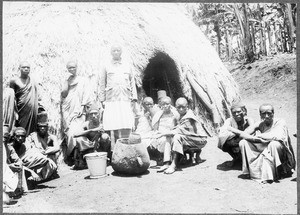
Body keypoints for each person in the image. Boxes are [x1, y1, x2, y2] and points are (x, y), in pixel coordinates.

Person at [239, 104, 296, 183]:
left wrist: (259, 136)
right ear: (260, 114)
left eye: (269, 113)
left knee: (274, 144)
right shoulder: (260, 124)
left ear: (273, 113)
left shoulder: (280, 121)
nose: (266, 116)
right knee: (243, 142)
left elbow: (276, 136)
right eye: (263, 113)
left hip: (280, 151)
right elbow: (243, 134)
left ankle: (274, 173)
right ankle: (248, 172)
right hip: (264, 146)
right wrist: (254, 138)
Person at [99, 45, 137, 149]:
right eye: (114, 50)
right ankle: (114, 149)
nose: (116, 52)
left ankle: (127, 147)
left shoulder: (127, 66)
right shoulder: (106, 66)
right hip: (112, 99)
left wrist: (134, 97)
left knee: (125, 122)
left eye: (118, 50)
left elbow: (132, 82)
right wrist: (102, 99)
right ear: (111, 53)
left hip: (125, 98)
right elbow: (102, 83)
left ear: (121, 52)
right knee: (113, 123)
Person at [161, 97, 208, 174]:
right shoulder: (177, 116)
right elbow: (171, 128)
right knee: (169, 136)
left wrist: (162, 134)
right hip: (189, 138)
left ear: (187, 107)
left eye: (183, 107)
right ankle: (167, 162)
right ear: (175, 108)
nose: (181, 109)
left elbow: (178, 130)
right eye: (179, 107)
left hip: (200, 140)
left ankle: (173, 165)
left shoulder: (189, 117)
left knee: (177, 136)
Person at [61, 60, 93, 162]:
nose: (72, 69)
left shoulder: (83, 80)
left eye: (73, 67)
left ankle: (79, 156)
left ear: (76, 68)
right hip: (68, 108)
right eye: (69, 68)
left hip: (79, 109)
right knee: (69, 131)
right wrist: (66, 83)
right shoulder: (66, 81)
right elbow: (64, 95)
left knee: (78, 132)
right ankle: (71, 155)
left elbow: (86, 94)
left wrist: (82, 106)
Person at [72, 103, 111, 169]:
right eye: (91, 114)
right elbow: (75, 134)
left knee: (105, 137)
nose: (93, 116)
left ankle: (105, 158)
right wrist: (92, 130)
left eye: (95, 113)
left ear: (99, 114)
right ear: (89, 115)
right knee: (79, 139)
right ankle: (83, 160)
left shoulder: (103, 123)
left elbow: (109, 137)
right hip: (89, 147)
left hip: (100, 148)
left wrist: (102, 132)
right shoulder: (87, 124)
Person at [9, 61, 39, 136]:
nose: (26, 69)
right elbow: (11, 96)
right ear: (19, 68)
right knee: (20, 127)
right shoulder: (14, 81)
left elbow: (37, 96)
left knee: (32, 129)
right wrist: (14, 111)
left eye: (28, 67)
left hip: (32, 111)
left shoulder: (33, 81)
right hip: (20, 109)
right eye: (24, 67)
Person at [150, 96, 179, 172]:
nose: (165, 106)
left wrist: (168, 132)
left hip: (170, 134)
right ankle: (163, 161)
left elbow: (177, 127)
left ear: (170, 104)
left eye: (167, 104)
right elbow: (155, 127)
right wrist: (157, 133)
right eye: (163, 104)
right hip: (160, 134)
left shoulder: (175, 114)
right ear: (161, 105)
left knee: (167, 138)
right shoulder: (159, 114)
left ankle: (166, 162)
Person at [3, 125, 27, 200]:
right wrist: (9, 166)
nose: (4, 139)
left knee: (19, 166)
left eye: (6, 137)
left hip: (5, 170)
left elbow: (18, 160)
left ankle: (18, 190)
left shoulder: (9, 148)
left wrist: (14, 165)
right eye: (3, 136)